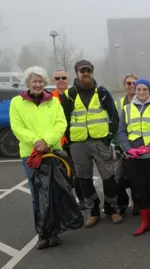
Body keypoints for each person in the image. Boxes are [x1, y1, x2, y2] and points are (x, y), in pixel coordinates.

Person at [9, 66, 67, 248]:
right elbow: (17, 127)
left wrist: (47, 141)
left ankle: (55, 232)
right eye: (34, 81)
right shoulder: (17, 102)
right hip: (31, 154)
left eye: (40, 81)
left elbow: (61, 123)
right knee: (37, 194)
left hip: (52, 152)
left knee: (54, 192)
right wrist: (36, 141)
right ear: (28, 83)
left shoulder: (53, 101)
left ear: (44, 83)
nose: (37, 84)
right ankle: (43, 233)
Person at [61, 59, 123, 227]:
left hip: (100, 142)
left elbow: (114, 116)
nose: (85, 73)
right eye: (82, 71)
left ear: (92, 72)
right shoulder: (69, 94)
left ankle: (112, 208)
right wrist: (70, 139)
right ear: (77, 73)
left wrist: (107, 137)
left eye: (88, 70)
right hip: (78, 143)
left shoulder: (102, 92)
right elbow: (63, 120)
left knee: (108, 177)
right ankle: (93, 211)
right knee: (84, 178)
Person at [118, 78, 150, 237]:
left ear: (149, 91)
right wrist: (128, 149)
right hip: (135, 157)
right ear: (135, 90)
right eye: (138, 89)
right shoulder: (126, 109)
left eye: (144, 90)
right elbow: (121, 132)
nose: (141, 92)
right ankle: (144, 222)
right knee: (139, 190)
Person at [51, 70, 87, 211]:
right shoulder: (50, 98)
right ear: (53, 80)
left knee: (78, 171)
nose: (61, 80)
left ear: (68, 79)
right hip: (58, 142)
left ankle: (82, 199)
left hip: (75, 139)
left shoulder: (75, 94)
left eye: (63, 78)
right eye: (57, 78)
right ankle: (66, 201)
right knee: (61, 173)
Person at [113, 74, 139, 216]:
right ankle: (122, 202)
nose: (131, 86)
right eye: (128, 83)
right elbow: (116, 126)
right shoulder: (118, 104)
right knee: (118, 177)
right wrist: (120, 145)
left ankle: (137, 203)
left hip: (136, 146)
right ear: (124, 86)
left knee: (136, 176)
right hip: (120, 145)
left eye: (134, 83)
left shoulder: (142, 102)